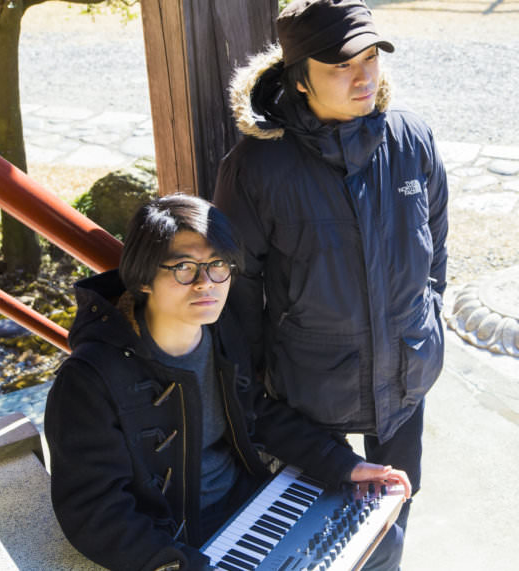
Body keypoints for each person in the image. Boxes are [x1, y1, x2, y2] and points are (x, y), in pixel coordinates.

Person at [44, 194, 410, 571]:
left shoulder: (218, 327)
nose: (206, 284)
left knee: (384, 541)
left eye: (218, 264)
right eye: (184, 267)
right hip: (174, 536)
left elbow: (256, 411)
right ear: (143, 278)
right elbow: (94, 511)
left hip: (249, 503)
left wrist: (342, 464)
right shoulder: (89, 379)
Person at [213, 0, 449, 547]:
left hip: (407, 372)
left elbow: (435, 244)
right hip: (311, 386)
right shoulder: (256, 167)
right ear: (300, 79)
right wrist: (253, 398)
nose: (363, 75)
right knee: (321, 530)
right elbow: (238, 290)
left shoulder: (412, 140)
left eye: (370, 56)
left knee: (395, 511)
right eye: (341, 65)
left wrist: (428, 317)